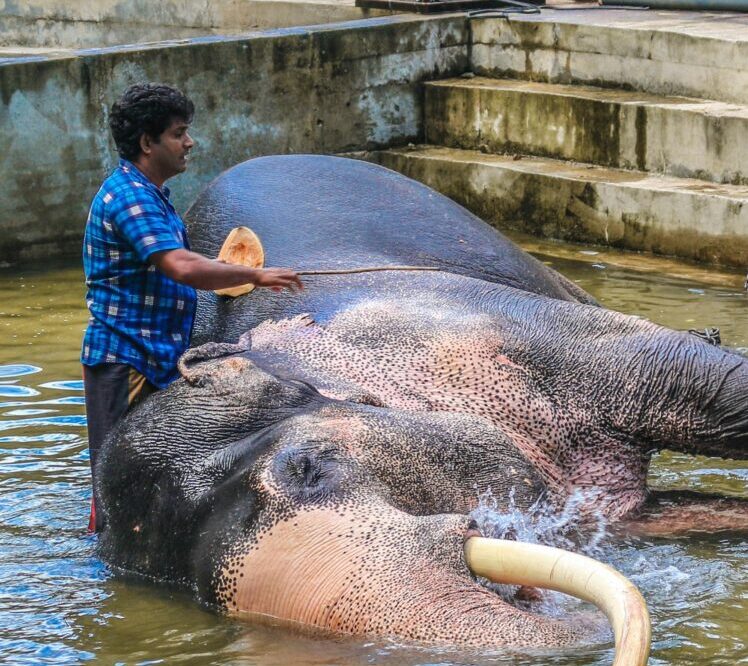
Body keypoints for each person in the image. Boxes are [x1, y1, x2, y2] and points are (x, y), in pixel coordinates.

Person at [81, 83, 301, 531]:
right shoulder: (129, 197)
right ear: (148, 143)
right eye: (179, 133)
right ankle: (104, 579)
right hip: (126, 359)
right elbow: (180, 266)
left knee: (146, 474)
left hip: (155, 354)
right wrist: (254, 275)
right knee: (114, 481)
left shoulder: (151, 193)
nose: (189, 143)